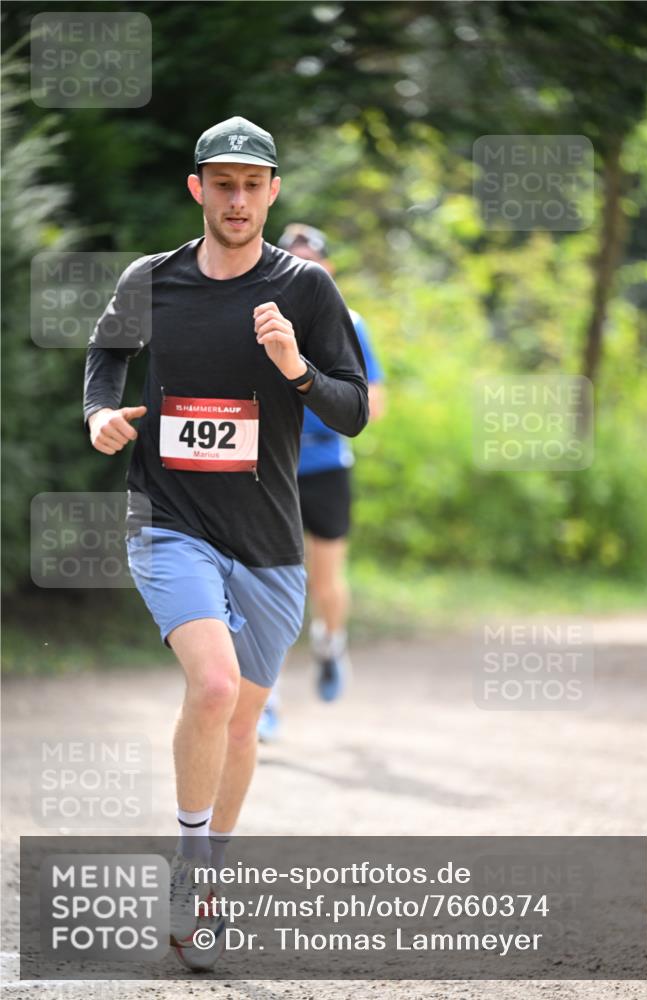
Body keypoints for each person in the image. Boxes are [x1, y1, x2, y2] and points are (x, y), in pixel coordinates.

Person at [83, 117, 368, 968]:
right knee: (212, 688)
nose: (237, 199)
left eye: (252, 185)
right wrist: (99, 413)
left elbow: (353, 408)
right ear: (197, 189)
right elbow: (106, 352)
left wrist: (295, 368)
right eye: (222, 183)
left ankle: (207, 870)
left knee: (242, 725)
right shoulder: (151, 278)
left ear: (272, 192)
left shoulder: (305, 290)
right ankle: (189, 866)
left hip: (269, 541)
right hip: (168, 519)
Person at [257, 225, 385, 742]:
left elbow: (373, 404)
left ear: (328, 269)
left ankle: (331, 642)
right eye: (293, 259)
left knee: (325, 582)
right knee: (269, 581)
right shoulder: (260, 320)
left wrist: (318, 393)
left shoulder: (350, 324)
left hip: (327, 466)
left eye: (312, 260)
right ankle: (266, 699)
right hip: (273, 464)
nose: (304, 268)